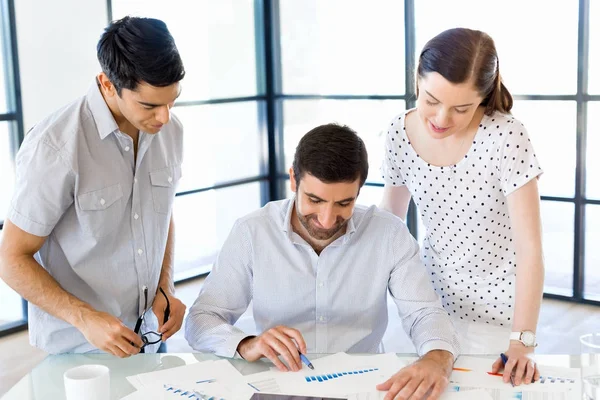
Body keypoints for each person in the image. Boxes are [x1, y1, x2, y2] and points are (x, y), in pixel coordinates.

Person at [186, 123, 460, 400]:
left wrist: (437, 358)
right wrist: (245, 344)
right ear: (293, 180)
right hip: (277, 390)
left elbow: (424, 313)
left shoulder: (389, 234)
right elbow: (201, 320)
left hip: (363, 390)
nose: (327, 219)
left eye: (343, 203)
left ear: (359, 190)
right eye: (314, 200)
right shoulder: (252, 232)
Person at [0, 16, 187, 356]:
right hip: (78, 347)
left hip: (148, 336)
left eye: (171, 101)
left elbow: (159, 212)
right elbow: (11, 259)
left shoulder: (170, 132)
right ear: (107, 84)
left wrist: (165, 286)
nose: (164, 118)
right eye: (150, 105)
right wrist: (85, 318)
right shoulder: (55, 147)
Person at [380, 27, 544, 386]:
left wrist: (522, 343)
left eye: (461, 108)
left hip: (499, 316)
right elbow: (388, 224)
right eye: (431, 100)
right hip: (427, 309)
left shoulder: (506, 136)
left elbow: (530, 249)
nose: (441, 119)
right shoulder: (398, 132)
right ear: (416, 79)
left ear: (483, 99)